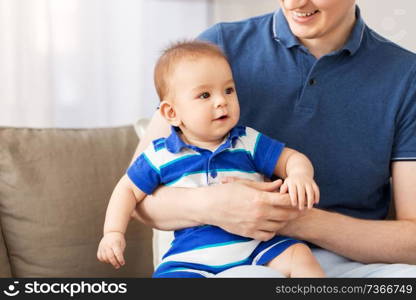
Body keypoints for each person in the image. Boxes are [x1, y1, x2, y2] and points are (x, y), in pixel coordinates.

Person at [130, 0, 416, 277]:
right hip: (234, 259)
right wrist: (213, 205)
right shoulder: (219, 46)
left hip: (352, 263)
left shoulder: (406, 75)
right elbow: (138, 197)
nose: (294, 3)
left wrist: (294, 219)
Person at [97, 41, 325, 278]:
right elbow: (126, 190)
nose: (221, 101)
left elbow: (290, 158)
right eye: (205, 95)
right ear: (172, 113)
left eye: (228, 90)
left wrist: (299, 174)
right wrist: (113, 232)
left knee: (299, 255)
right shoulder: (161, 155)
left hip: (255, 247)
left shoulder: (247, 141)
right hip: (190, 258)